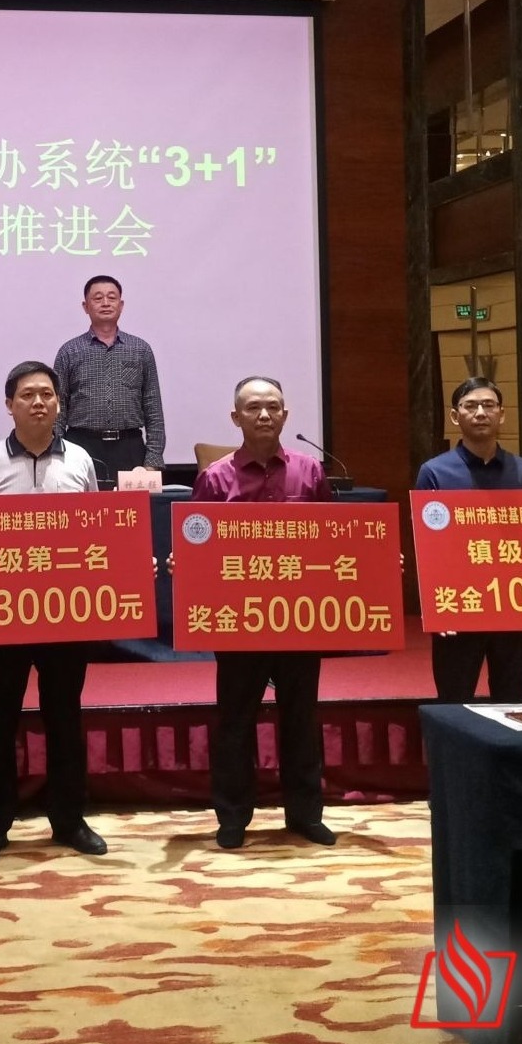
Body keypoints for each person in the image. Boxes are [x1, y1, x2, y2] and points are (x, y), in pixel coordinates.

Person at [0, 361, 109, 863]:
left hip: (66, 615)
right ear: (9, 405)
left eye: (47, 394)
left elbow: (97, 533)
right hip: (3, 615)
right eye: (27, 395)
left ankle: (69, 819)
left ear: (59, 402)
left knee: (64, 717)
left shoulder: (80, 461)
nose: (39, 402)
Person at [192, 376, 335, 850]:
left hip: (299, 618)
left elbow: (335, 539)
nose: (264, 415)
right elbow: (197, 545)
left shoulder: (310, 472)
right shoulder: (215, 479)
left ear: (286, 415)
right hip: (239, 621)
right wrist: (184, 562)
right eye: (253, 408)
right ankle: (232, 817)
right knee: (235, 721)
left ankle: (305, 813)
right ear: (236, 417)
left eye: (273, 406)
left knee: (301, 717)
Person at [415, 377, 522, 702]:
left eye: (488, 405)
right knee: (454, 701)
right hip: (458, 604)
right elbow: (426, 548)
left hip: (512, 604)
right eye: (470, 406)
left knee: (512, 699)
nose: (481, 413)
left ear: (502, 414)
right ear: (455, 416)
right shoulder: (434, 473)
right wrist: (436, 608)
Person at [53, 275, 164, 484]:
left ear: (121, 305)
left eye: (112, 298)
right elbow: (58, 410)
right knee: (83, 504)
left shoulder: (141, 349)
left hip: (130, 448)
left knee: (132, 506)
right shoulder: (69, 351)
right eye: (98, 298)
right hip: (80, 447)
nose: (105, 303)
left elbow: (153, 409)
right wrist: (55, 456)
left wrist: (153, 461)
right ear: (85, 307)